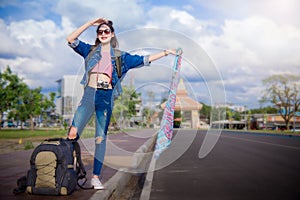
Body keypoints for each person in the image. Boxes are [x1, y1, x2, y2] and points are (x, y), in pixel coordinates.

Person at [66, 17, 176, 189]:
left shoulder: (121, 57)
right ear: (97, 34)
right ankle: (67, 169)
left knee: (100, 139)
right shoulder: (89, 51)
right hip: (88, 95)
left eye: (106, 31)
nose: (103, 34)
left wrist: (165, 53)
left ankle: (96, 177)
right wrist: (90, 23)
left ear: (112, 34)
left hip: (105, 97)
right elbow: (70, 39)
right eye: (100, 31)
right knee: (72, 133)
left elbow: (143, 59)